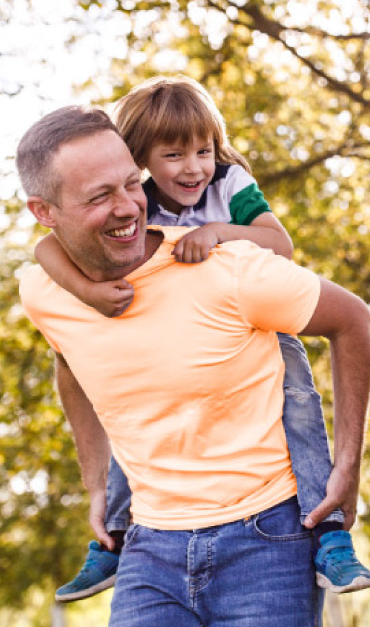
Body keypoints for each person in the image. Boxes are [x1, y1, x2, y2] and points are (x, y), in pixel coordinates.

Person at [16, 105, 370, 627]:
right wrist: (96, 482)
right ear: (44, 211)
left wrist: (347, 466)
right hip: (148, 549)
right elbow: (69, 361)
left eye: (129, 186)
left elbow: (355, 319)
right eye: (99, 196)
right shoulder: (46, 292)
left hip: (266, 541)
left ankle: (332, 541)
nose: (127, 208)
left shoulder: (227, 268)